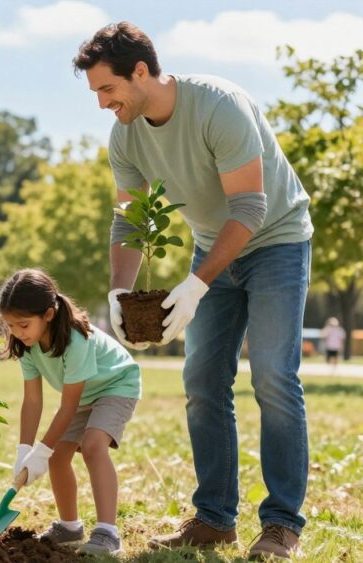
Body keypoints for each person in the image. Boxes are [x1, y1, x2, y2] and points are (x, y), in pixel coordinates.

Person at [74, 22, 313, 559]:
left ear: (141, 72)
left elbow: (250, 209)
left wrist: (195, 285)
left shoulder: (218, 106)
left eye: (107, 89)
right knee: (202, 380)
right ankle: (214, 518)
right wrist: (119, 292)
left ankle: (280, 525)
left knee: (274, 376)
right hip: (213, 246)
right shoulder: (126, 135)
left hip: (275, 240)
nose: (102, 103)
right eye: (95, 93)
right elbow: (131, 221)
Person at [0, 269, 140, 556]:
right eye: (10, 325)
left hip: (116, 384)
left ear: (48, 314)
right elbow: (32, 401)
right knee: (58, 456)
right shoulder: (28, 345)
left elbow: (69, 405)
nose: (17, 332)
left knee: (92, 446)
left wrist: (41, 450)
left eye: (23, 325)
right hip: (82, 395)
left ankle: (108, 533)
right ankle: (69, 527)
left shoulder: (75, 340)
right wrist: (24, 450)